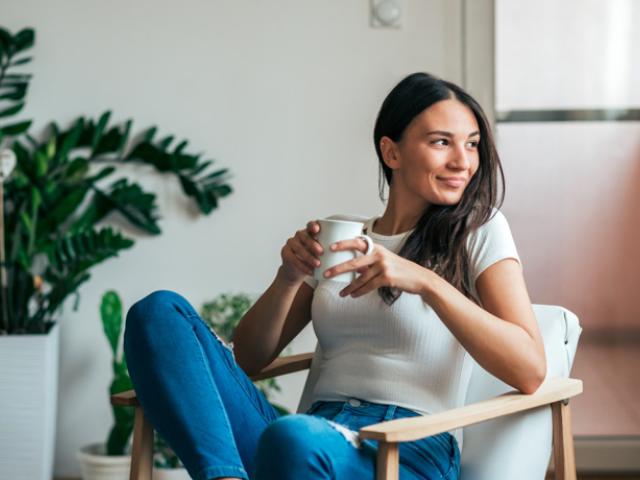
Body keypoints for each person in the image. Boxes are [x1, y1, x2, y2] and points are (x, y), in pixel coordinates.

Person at [124, 72, 547, 480]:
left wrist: (423, 280)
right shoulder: (342, 234)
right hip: (312, 438)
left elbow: (529, 369)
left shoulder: (478, 230)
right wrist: (288, 278)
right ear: (391, 152)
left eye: (472, 145)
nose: (463, 161)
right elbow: (248, 361)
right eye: (442, 142)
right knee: (157, 313)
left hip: (407, 447)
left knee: (293, 437)